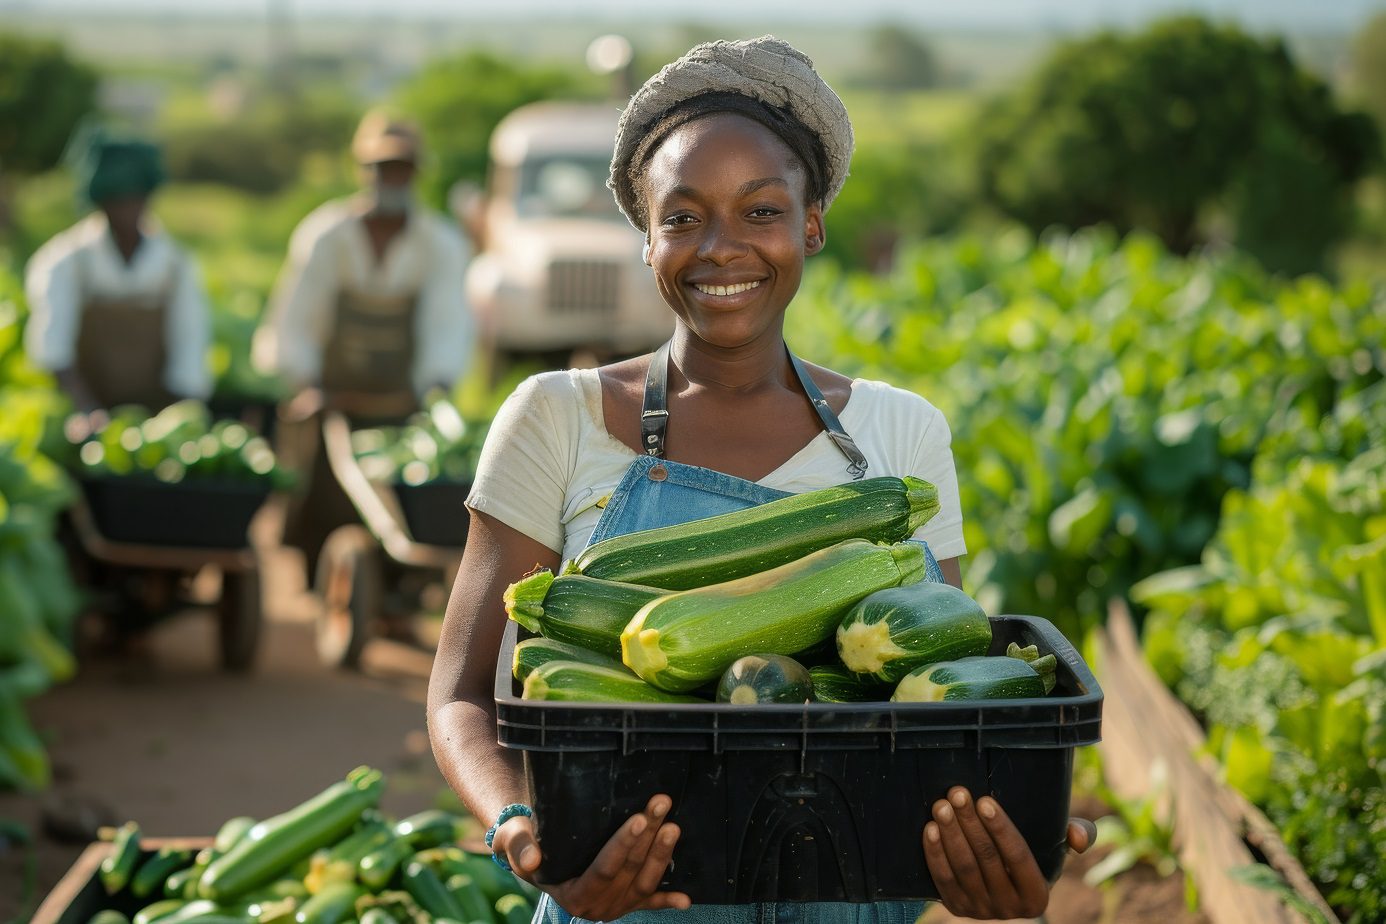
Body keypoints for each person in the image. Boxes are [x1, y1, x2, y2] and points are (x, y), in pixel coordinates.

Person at [427, 36, 1094, 923]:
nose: (720, 249)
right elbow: (462, 695)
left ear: (811, 223)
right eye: (683, 217)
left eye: (761, 211)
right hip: (620, 902)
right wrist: (521, 831)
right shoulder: (557, 417)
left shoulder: (902, 431)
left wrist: (985, 851)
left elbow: (934, 697)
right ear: (647, 237)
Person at [253, 109, 474, 580]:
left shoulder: (441, 244)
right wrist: (306, 380)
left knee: (404, 492)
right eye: (381, 168)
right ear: (364, 171)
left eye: (401, 168)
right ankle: (318, 576)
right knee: (320, 489)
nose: (391, 178)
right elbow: (298, 317)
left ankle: (400, 584)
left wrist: (434, 386)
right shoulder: (326, 236)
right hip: (333, 394)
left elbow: (446, 323)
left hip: (402, 402)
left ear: (415, 174)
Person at [24, 135, 212, 416]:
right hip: (81, 411)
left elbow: (190, 348)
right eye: (116, 199)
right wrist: (87, 410)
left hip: (156, 412)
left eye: (134, 198)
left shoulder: (175, 265)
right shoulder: (67, 261)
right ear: (99, 201)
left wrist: (174, 421)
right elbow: (53, 349)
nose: (126, 209)